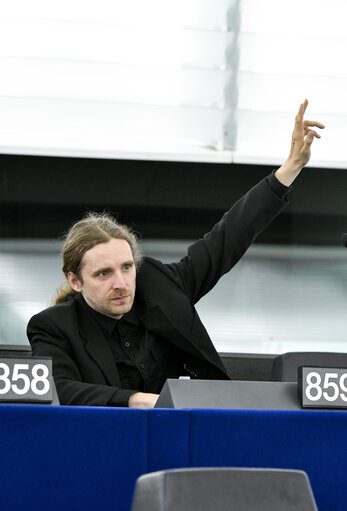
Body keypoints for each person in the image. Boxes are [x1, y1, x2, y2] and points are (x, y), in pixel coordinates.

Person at [27, 100, 324, 408]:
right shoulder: (53, 326)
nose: (121, 282)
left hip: (180, 434)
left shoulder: (160, 284)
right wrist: (138, 400)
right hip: (101, 443)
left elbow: (227, 238)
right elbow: (58, 389)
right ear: (75, 281)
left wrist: (289, 169)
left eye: (127, 267)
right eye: (103, 273)